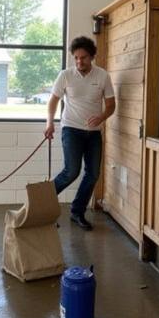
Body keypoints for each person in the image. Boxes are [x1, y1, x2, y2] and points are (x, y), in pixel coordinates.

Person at [44, 35, 116, 230]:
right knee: (71, 172)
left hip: (93, 133)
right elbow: (53, 102)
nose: (79, 61)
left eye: (83, 57)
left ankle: (77, 212)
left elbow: (111, 106)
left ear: (91, 56)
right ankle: (41, 206)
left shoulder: (102, 76)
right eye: (75, 57)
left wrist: (101, 117)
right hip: (71, 129)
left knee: (93, 174)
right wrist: (49, 123)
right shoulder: (65, 75)